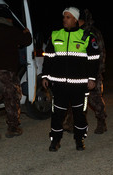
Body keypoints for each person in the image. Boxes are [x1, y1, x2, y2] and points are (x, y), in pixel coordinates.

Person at [42, 7, 100, 151]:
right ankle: (55, 140)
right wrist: (45, 76)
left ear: (75, 19)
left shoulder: (87, 36)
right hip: (59, 84)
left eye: (68, 17)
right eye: (64, 17)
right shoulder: (55, 35)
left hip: (79, 85)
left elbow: (94, 59)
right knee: (57, 114)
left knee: (79, 114)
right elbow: (48, 57)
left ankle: (79, 139)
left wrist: (92, 79)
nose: (65, 19)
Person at [0, 11, 32, 143]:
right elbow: (27, 41)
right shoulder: (11, 30)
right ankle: (13, 128)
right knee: (11, 99)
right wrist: (27, 32)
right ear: (7, 20)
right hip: (7, 72)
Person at [63, 9, 108, 134]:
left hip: (91, 71)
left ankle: (101, 122)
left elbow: (100, 52)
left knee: (94, 99)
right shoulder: (73, 32)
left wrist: (97, 72)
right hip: (76, 72)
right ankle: (72, 122)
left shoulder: (92, 32)